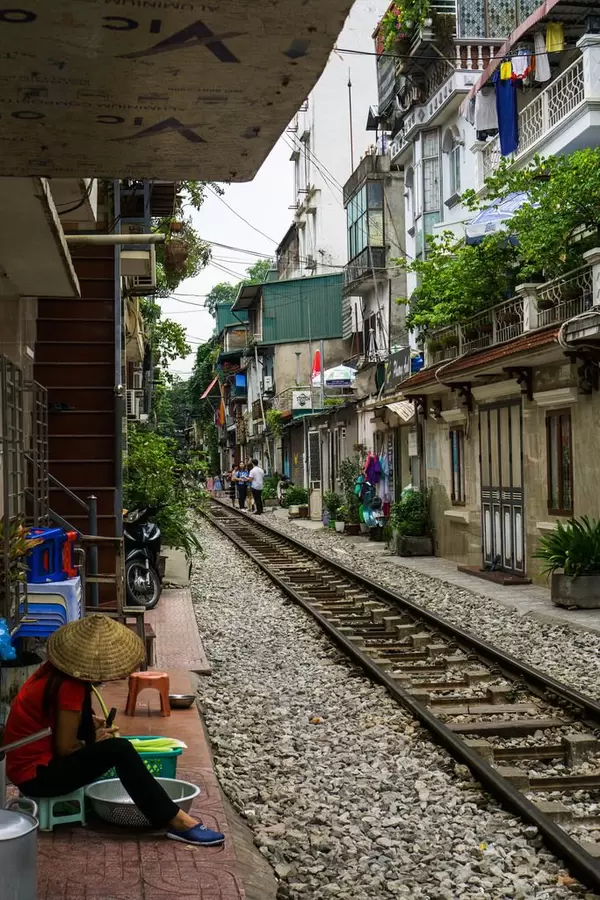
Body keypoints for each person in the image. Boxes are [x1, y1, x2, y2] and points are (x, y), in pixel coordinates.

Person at [2, 614, 224, 847]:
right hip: (37, 777)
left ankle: (171, 816)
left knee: (114, 747)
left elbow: (58, 718)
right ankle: (177, 821)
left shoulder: (52, 671)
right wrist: (93, 742)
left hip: (25, 770)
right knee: (120, 749)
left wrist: (89, 722)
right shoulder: (70, 686)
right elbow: (65, 748)